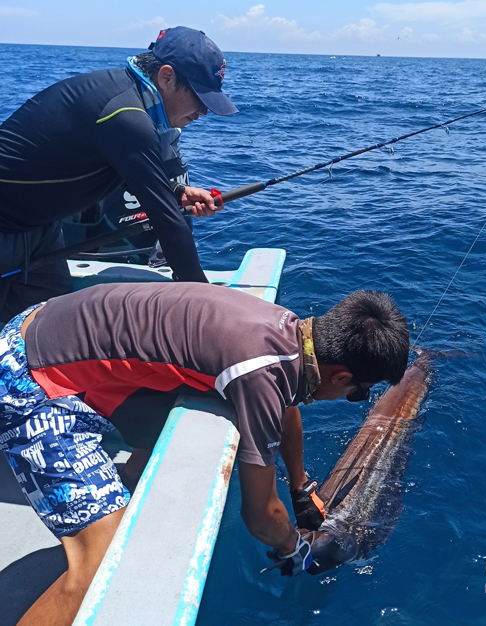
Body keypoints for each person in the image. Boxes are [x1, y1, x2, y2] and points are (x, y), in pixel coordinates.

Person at [0, 283, 409, 625]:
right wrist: (294, 547)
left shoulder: (286, 330)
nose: (354, 398)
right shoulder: (260, 373)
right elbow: (261, 516)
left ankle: (121, 486)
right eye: (357, 394)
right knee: (106, 563)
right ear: (341, 376)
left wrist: (300, 487)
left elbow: (287, 403)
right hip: (30, 383)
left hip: (41, 324)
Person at [0, 26, 238, 324]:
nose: (203, 112)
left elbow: (119, 166)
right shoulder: (126, 117)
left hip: (36, 226)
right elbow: (169, 224)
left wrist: (176, 192)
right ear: (166, 77)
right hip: (6, 223)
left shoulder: (127, 98)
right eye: (200, 98)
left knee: (48, 316)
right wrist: (209, 304)